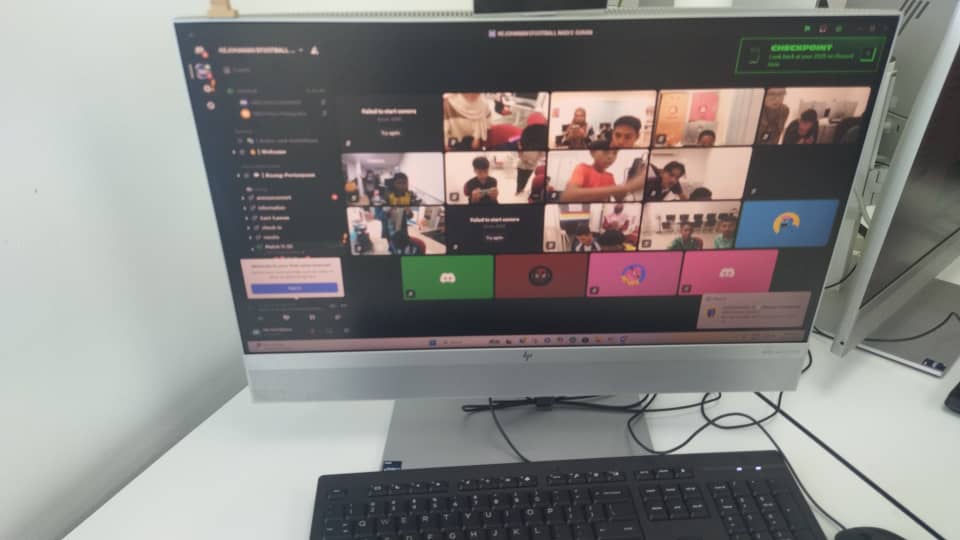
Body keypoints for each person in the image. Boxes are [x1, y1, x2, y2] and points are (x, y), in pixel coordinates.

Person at [559, 140, 645, 203]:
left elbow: (619, 198)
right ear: (592, 153)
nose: (611, 157)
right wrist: (626, 187)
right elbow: (568, 196)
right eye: (605, 152)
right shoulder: (582, 168)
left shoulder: (609, 176)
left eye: (615, 153)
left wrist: (636, 179)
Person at [515, 124, 547, 195]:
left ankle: (521, 189)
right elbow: (519, 154)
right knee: (519, 179)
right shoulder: (522, 142)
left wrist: (531, 161)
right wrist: (520, 150)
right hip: (521, 165)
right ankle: (518, 190)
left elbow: (542, 155)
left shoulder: (541, 145)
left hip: (531, 166)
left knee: (526, 179)